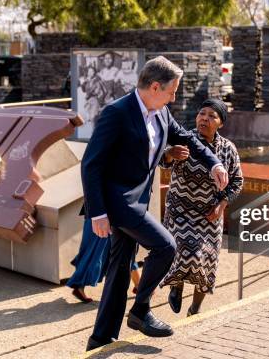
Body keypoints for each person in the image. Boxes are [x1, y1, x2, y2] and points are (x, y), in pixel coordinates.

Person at [82, 56, 229, 351]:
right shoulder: (117, 113)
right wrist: (98, 212)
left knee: (120, 269)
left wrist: (214, 163)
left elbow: (189, 139)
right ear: (154, 86)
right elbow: (91, 165)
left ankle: (100, 339)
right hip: (119, 202)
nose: (175, 97)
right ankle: (140, 310)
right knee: (166, 246)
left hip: (139, 200)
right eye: (172, 91)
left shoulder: (161, 112)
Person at [160, 98, 243, 317]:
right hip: (180, 210)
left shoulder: (228, 149)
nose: (205, 119)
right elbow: (162, 161)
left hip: (210, 214)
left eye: (212, 116)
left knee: (206, 260)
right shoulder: (185, 140)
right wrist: (170, 153)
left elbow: (237, 181)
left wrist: (222, 205)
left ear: (221, 123)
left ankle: (195, 308)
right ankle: (176, 287)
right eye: (202, 114)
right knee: (182, 249)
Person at [66, 216, 141, 303]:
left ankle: (138, 285)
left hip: (103, 213)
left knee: (118, 248)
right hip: (102, 215)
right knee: (98, 250)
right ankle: (79, 284)